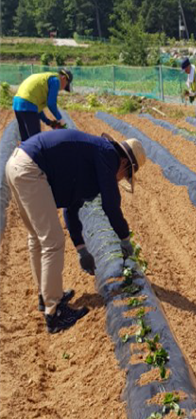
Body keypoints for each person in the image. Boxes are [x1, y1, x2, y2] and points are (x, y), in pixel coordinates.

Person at [5, 129, 146, 333]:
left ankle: (46, 298)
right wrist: (125, 238)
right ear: (125, 164)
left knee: (37, 238)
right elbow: (111, 204)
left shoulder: (92, 159)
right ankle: (55, 313)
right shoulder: (107, 155)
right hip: (30, 169)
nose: (119, 180)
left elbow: (71, 208)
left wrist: (81, 248)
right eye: (125, 176)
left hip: (17, 164)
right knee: (52, 242)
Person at [13, 69, 72, 141]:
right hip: (27, 104)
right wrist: (60, 119)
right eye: (65, 86)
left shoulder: (45, 78)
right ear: (64, 78)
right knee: (35, 140)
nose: (62, 89)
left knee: (25, 139)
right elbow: (51, 103)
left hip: (17, 104)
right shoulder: (55, 80)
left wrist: (48, 122)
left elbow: (37, 109)